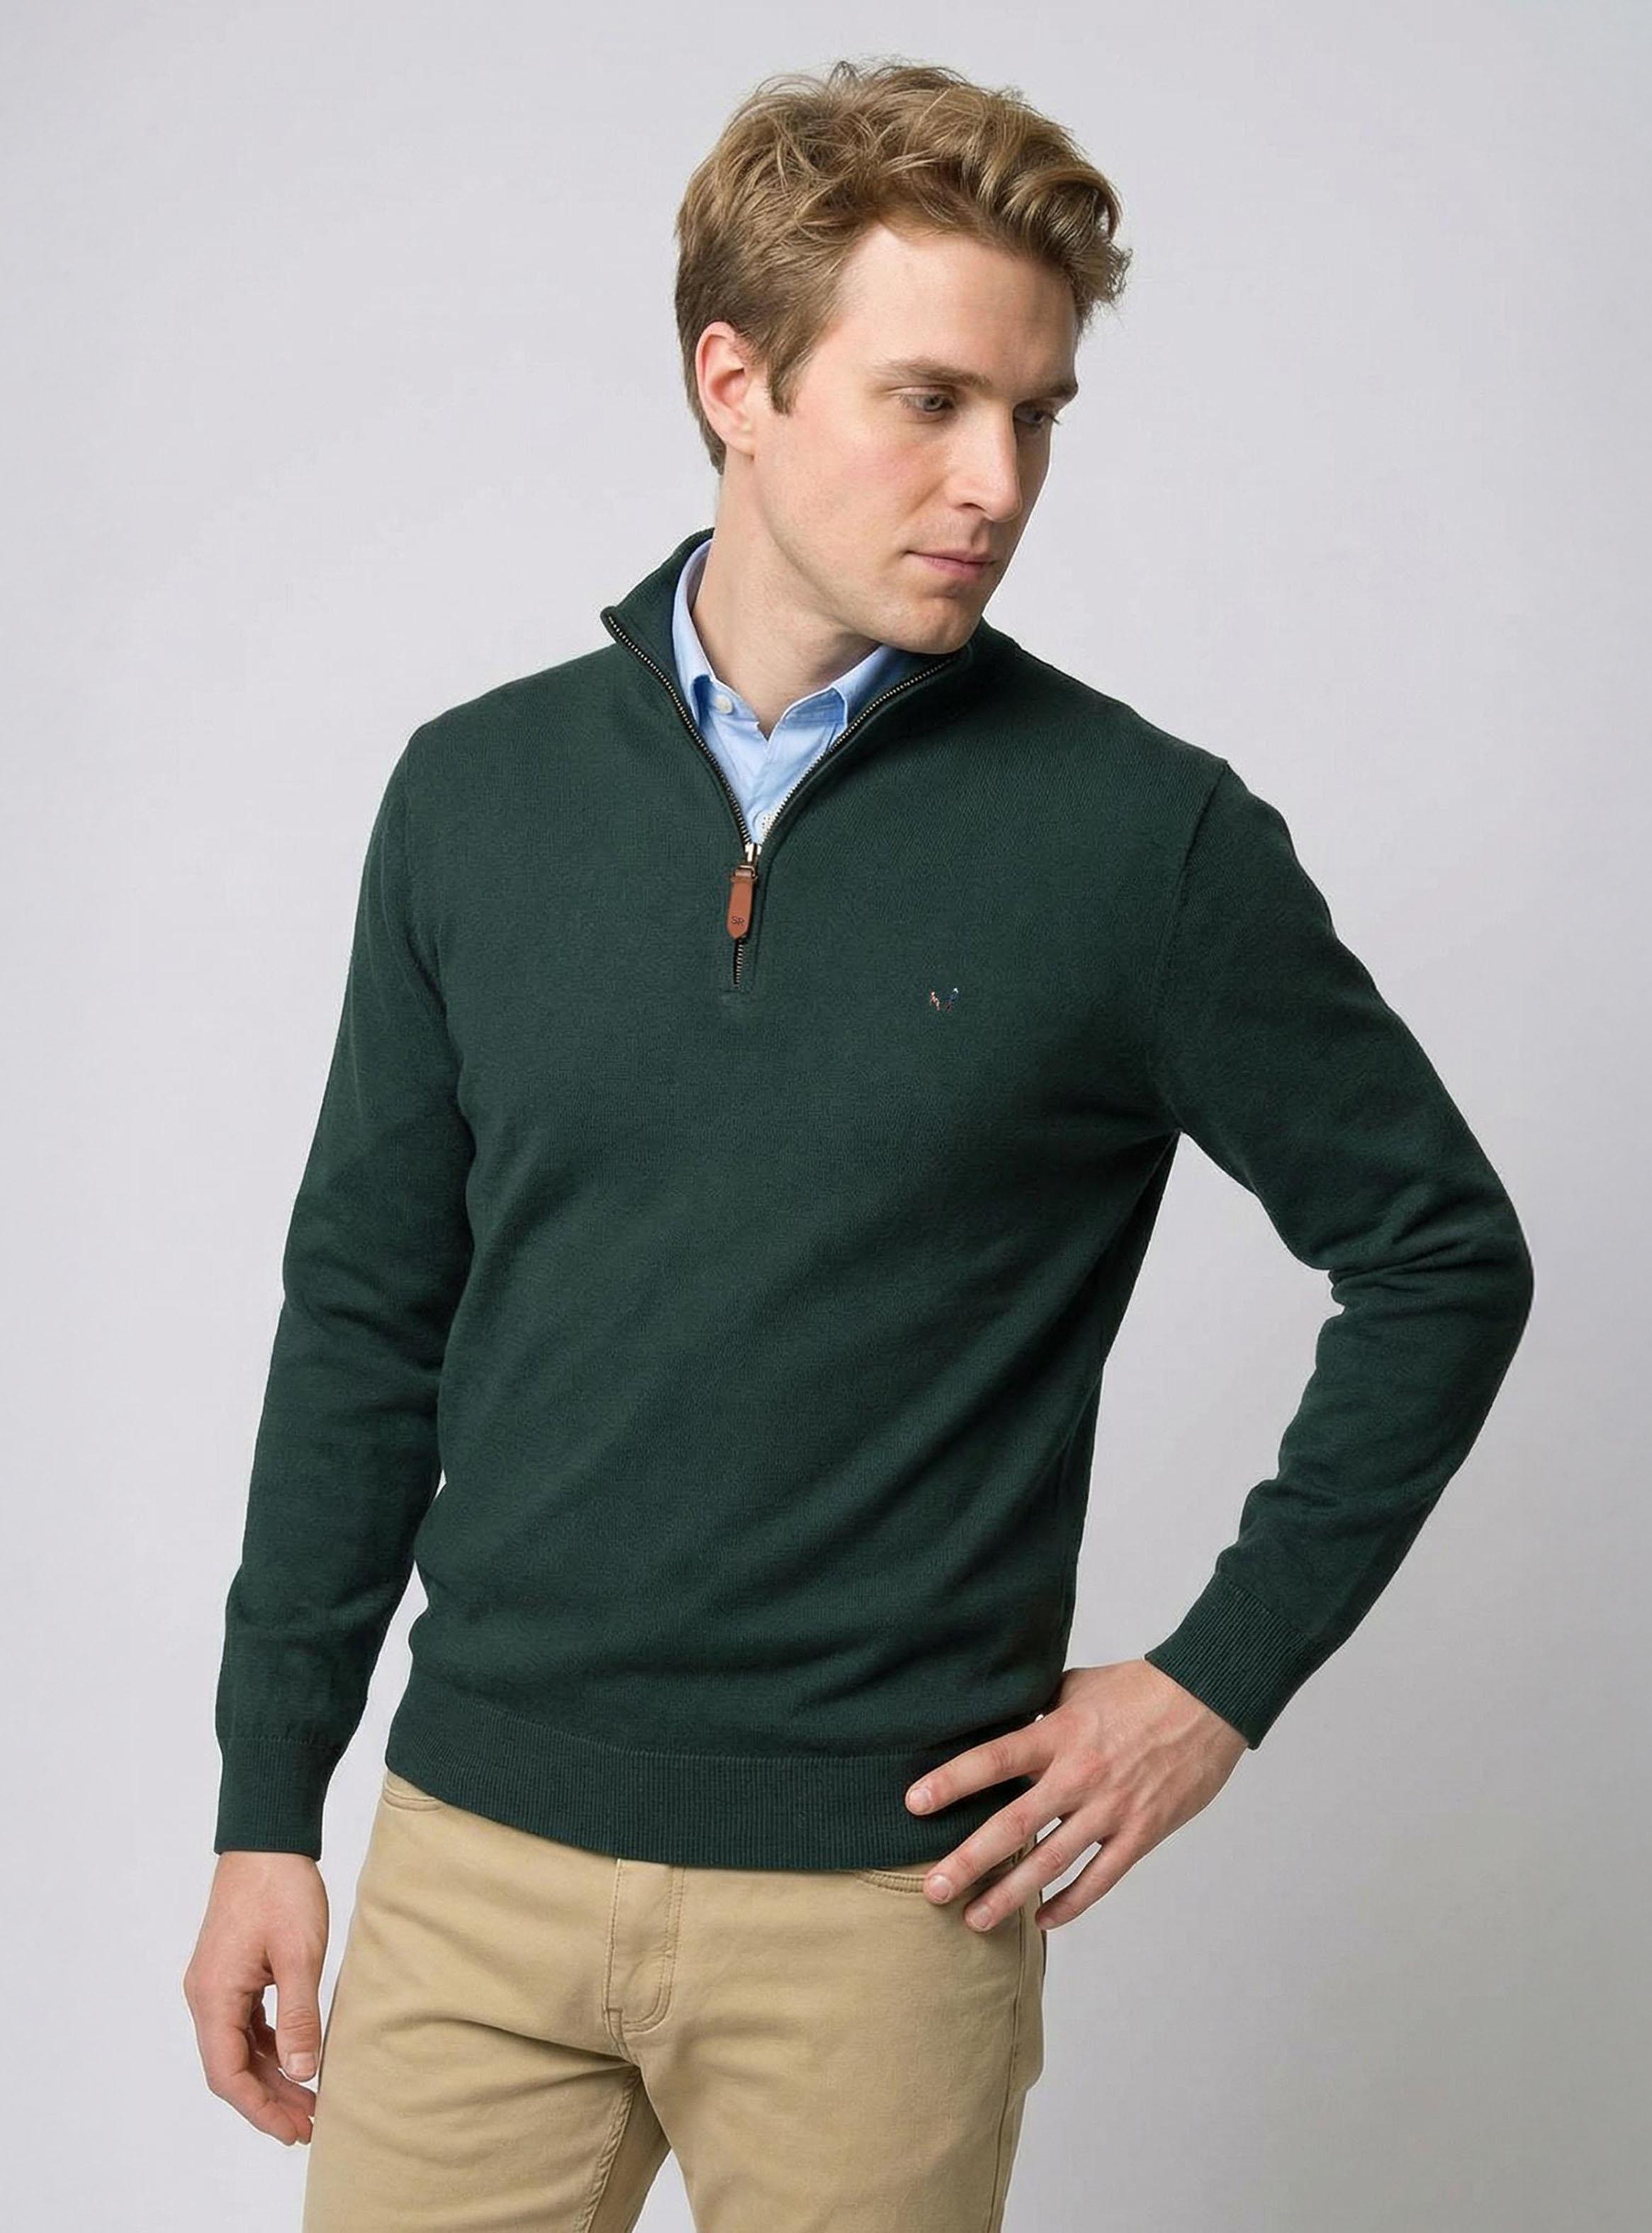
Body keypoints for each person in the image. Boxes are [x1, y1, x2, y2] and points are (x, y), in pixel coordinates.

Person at [182, 56, 1534, 2232]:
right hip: (471, 1873)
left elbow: (1439, 1258)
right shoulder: (474, 797)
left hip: (878, 1916)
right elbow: (363, 1314)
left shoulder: (1143, 843)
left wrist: (1211, 1686)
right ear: (737, 381)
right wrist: (269, 1803)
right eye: (928, 402)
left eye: (1035, 415)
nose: (993, 481)